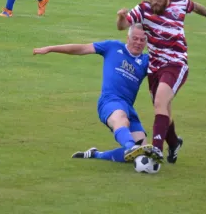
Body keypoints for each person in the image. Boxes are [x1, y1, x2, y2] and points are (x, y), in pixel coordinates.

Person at [116, 0, 206, 163]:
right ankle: (174, 143)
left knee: (160, 102)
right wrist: (120, 17)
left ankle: (156, 150)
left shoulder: (180, 3)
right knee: (163, 107)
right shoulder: (143, 8)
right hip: (155, 67)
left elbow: (197, 7)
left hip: (176, 64)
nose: (154, 2)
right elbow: (122, 26)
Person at [33, 24, 161, 163]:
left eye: (142, 40)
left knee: (143, 152)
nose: (138, 42)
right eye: (135, 38)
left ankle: (97, 155)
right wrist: (51, 48)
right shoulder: (112, 47)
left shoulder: (146, 61)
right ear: (127, 37)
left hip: (129, 107)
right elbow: (82, 48)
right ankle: (130, 146)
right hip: (110, 102)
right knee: (122, 120)